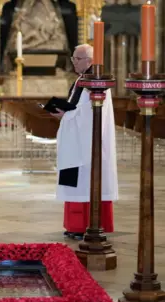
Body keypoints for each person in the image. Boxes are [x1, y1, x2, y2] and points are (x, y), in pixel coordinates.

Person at [49, 43, 118, 240]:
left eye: (77, 59)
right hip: (74, 141)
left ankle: (87, 225)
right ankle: (74, 225)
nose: (73, 62)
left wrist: (66, 114)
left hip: (85, 145)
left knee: (84, 183)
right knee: (72, 183)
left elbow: (91, 114)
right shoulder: (81, 79)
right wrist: (63, 109)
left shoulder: (96, 81)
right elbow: (77, 106)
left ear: (89, 61)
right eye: (73, 58)